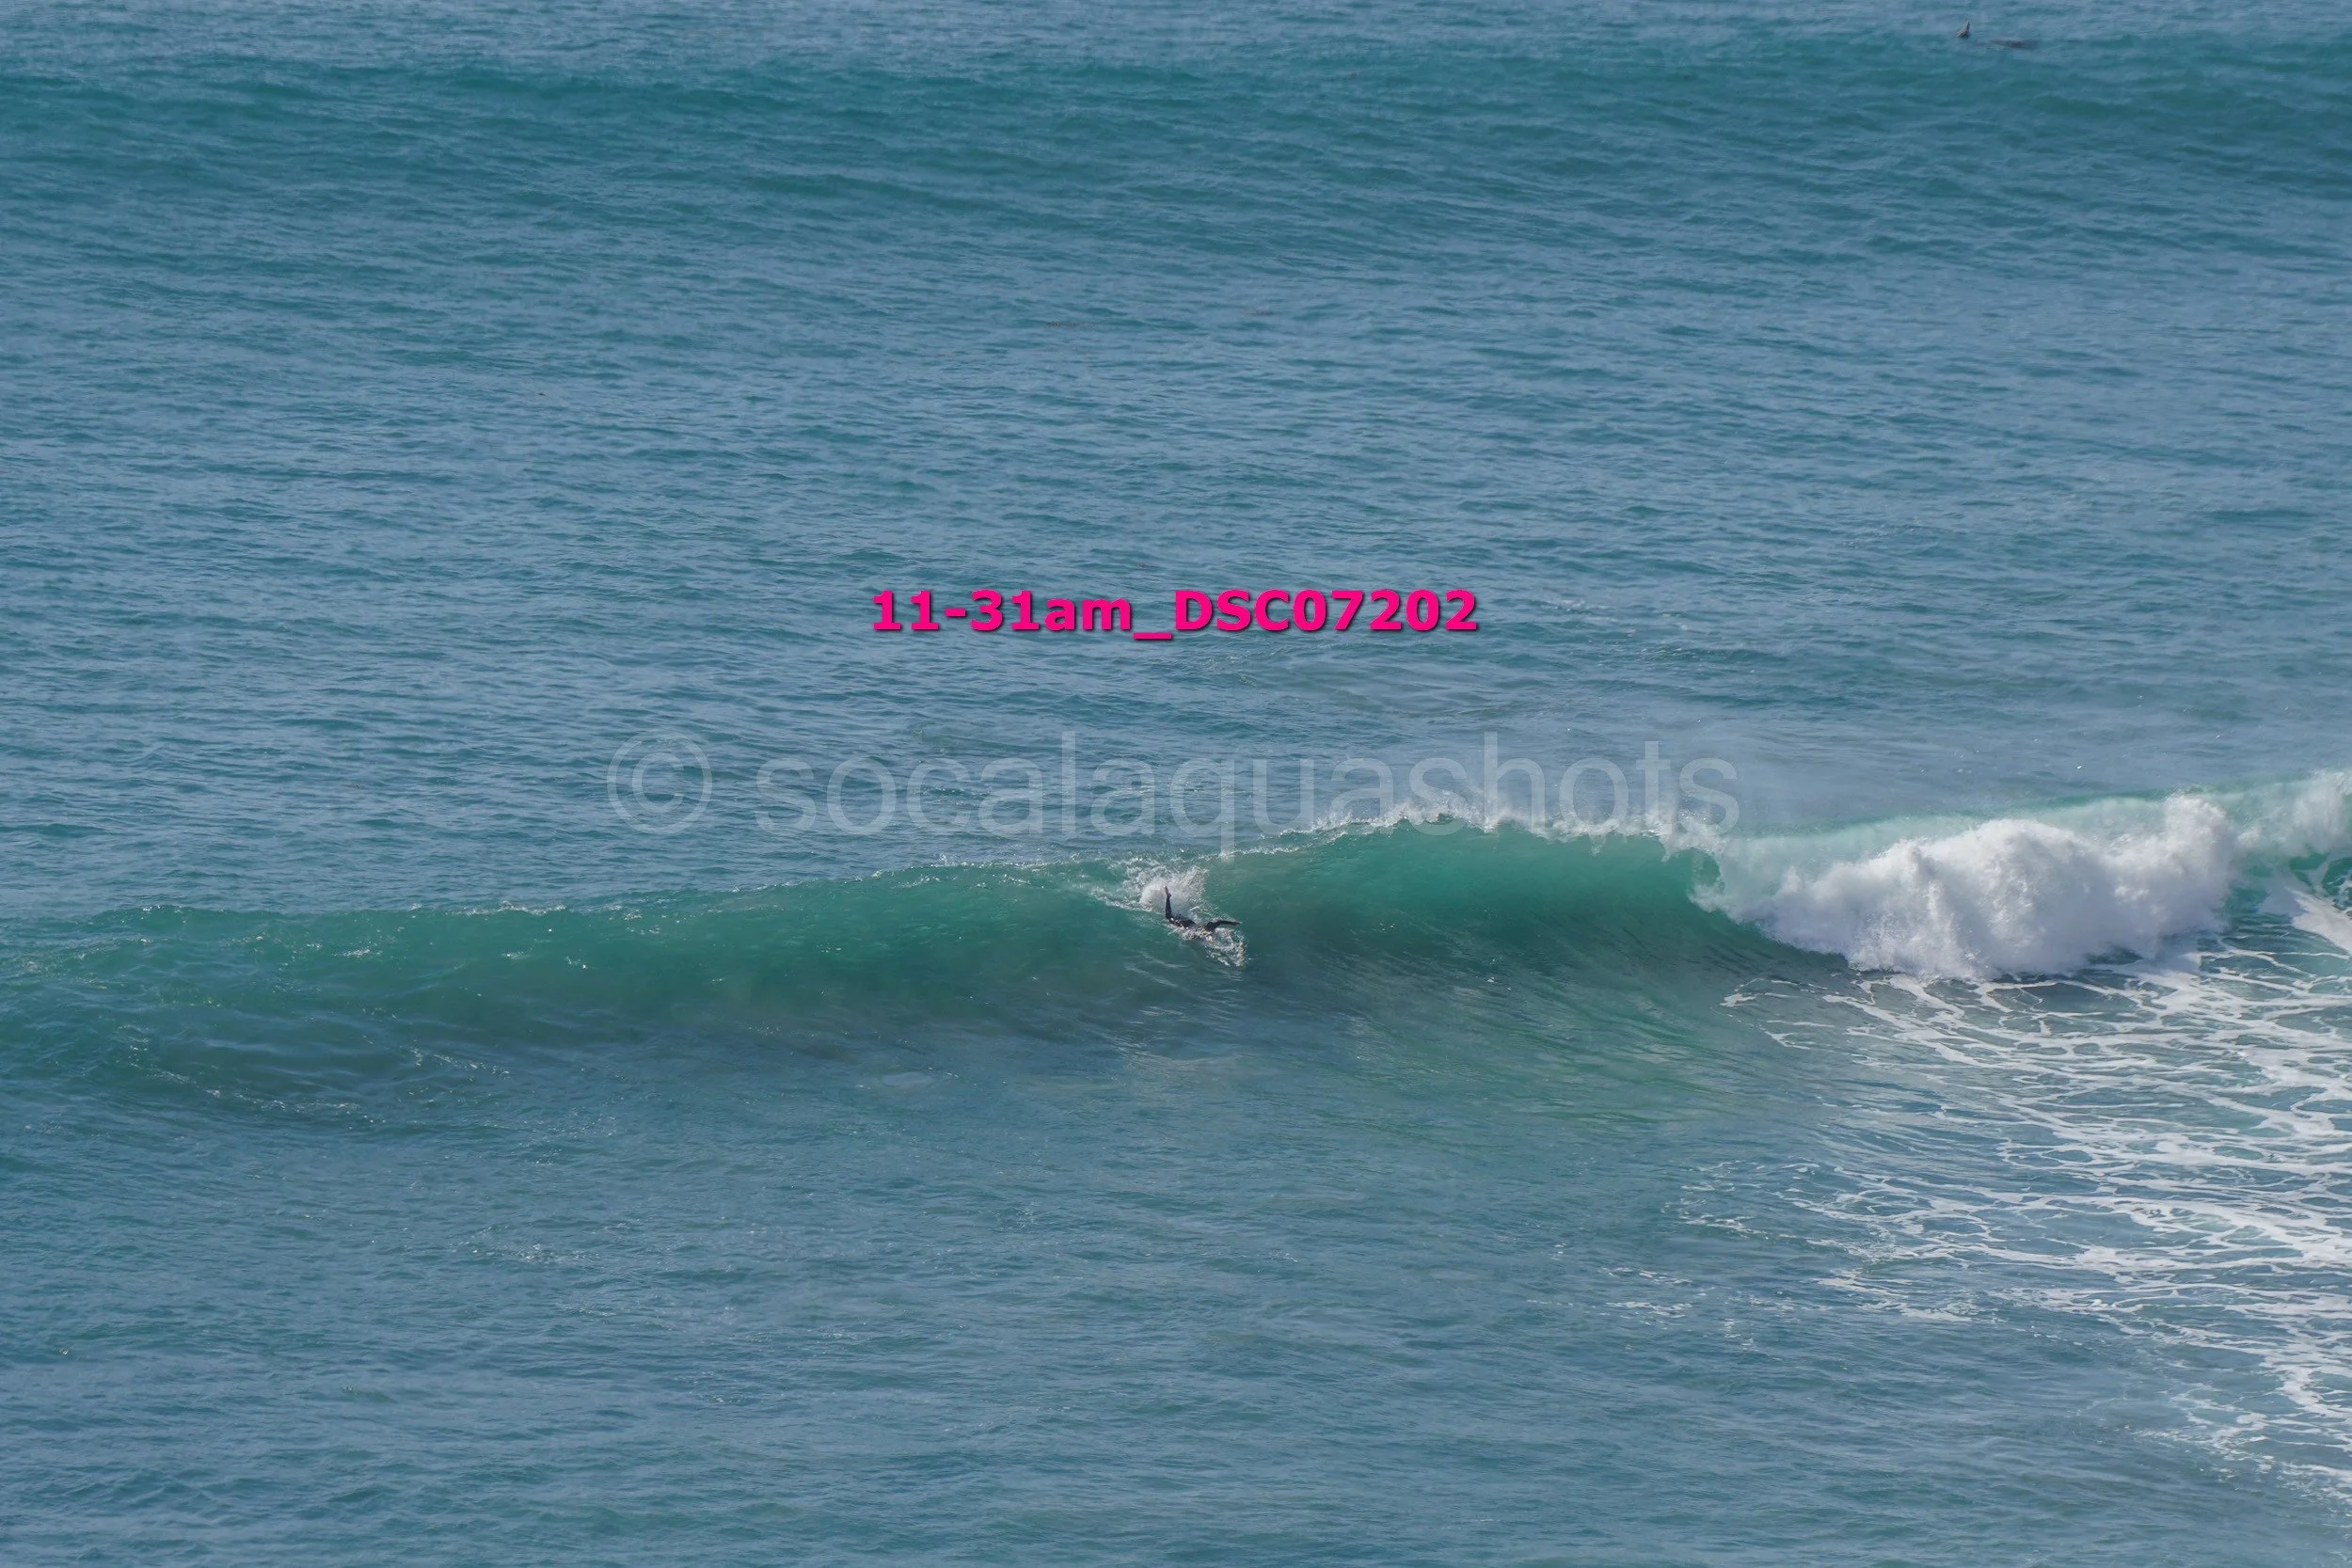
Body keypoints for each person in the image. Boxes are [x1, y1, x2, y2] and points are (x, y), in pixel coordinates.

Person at [1164, 890, 1239, 933]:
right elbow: (1220, 922)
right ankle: (1168, 897)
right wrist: (1232, 923)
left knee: (1174, 916)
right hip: (1189, 924)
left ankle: (1169, 898)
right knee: (1168, 917)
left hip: (1191, 923)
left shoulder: (1210, 927)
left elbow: (1220, 922)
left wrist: (1232, 923)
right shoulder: (1204, 932)